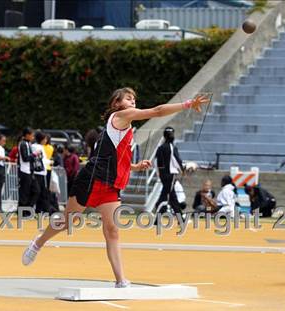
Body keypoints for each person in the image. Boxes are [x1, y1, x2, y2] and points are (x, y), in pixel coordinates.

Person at [22, 87, 209, 288]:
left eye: (134, 98)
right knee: (67, 221)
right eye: (128, 98)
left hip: (110, 186)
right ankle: (38, 243)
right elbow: (157, 111)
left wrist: (135, 166)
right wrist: (188, 104)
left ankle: (120, 280)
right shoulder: (120, 116)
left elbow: (115, 158)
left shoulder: (123, 129)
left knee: (112, 231)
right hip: (92, 180)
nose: (133, 101)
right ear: (116, 104)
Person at [154, 127, 184, 217]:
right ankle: (157, 216)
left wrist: (158, 173)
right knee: (167, 195)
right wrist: (182, 169)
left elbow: (156, 162)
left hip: (163, 175)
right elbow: (177, 160)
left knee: (171, 196)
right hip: (170, 175)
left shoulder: (160, 148)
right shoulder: (172, 147)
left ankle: (180, 217)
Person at [31, 131, 54, 214]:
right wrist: (50, 162)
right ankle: (35, 210)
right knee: (39, 192)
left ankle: (37, 210)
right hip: (39, 172)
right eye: (44, 139)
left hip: (38, 172)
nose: (45, 140)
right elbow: (41, 159)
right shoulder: (38, 147)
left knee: (39, 192)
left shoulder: (35, 146)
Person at [18, 127, 40, 209]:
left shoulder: (28, 144)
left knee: (36, 190)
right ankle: (22, 211)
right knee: (24, 192)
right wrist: (34, 154)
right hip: (24, 171)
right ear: (27, 135)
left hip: (30, 171)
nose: (33, 137)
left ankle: (28, 209)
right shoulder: (23, 144)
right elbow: (25, 158)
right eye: (32, 135)